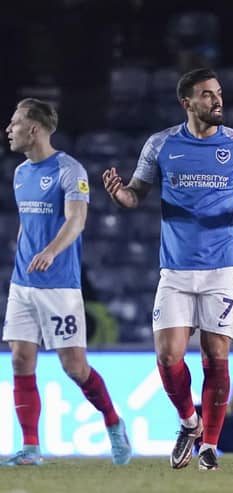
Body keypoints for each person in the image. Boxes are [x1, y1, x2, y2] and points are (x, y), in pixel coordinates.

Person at [102, 67, 233, 471]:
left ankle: (210, 446)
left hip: (221, 268)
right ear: (188, 103)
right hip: (175, 270)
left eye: (219, 93)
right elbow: (135, 195)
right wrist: (119, 194)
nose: (218, 100)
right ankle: (189, 423)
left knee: (216, 357)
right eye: (208, 94)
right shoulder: (160, 145)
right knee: (167, 356)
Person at [1, 98, 131, 467]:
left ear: (34, 129)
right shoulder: (20, 172)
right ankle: (30, 449)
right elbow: (27, 223)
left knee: (74, 367)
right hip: (23, 283)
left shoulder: (69, 170)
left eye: (15, 122)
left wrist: (51, 252)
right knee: (20, 359)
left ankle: (113, 422)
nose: (8, 129)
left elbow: (77, 221)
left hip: (59, 284)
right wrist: (25, 258)